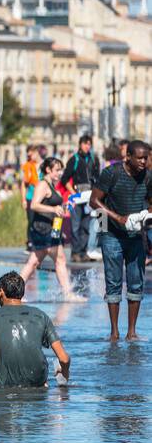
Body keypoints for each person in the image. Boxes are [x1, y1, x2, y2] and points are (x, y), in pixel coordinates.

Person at [88, 139, 152, 340]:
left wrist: (145, 215)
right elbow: (94, 201)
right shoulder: (112, 173)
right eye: (140, 158)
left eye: (146, 157)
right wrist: (118, 218)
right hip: (112, 235)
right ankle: (114, 331)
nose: (144, 161)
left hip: (135, 237)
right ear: (128, 157)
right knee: (114, 282)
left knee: (136, 283)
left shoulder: (148, 177)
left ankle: (131, 332)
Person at [20, 156, 79, 299]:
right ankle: (68, 294)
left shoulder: (51, 185)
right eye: (57, 170)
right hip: (43, 228)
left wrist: (64, 207)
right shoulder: (43, 185)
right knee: (51, 261)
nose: (60, 173)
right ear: (48, 170)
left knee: (39, 261)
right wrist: (53, 210)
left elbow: (54, 206)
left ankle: (14, 292)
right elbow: (34, 205)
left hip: (53, 227)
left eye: (61, 170)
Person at [60, 133, 101, 262]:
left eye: (89, 144)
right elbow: (64, 178)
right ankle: (75, 252)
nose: (87, 146)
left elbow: (97, 178)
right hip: (77, 196)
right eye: (85, 144)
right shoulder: (75, 159)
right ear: (80, 144)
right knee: (75, 225)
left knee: (86, 224)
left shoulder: (94, 159)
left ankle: (83, 252)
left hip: (89, 196)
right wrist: (72, 193)